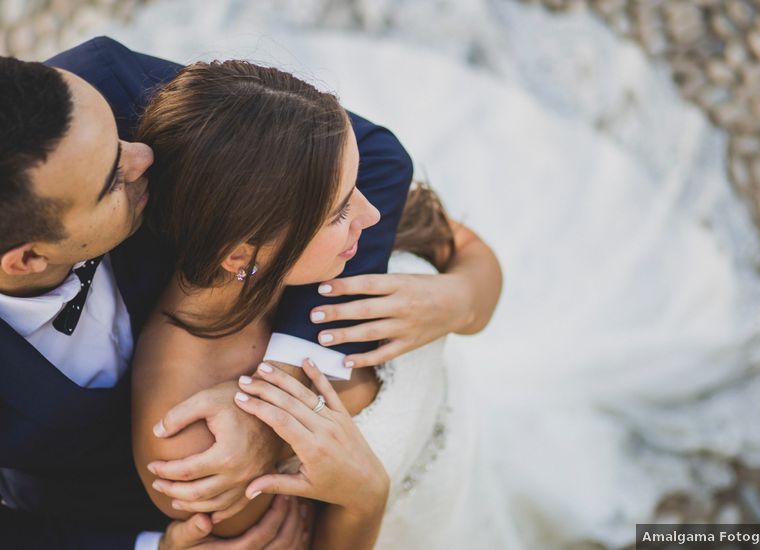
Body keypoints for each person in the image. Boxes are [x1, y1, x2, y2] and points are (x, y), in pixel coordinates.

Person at [0, 37, 502, 550]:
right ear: (31, 258)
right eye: (114, 177)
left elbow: (373, 157)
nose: (146, 154)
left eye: (121, 138)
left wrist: (275, 401)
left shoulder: (103, 96)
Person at [130, 60, 502, 548]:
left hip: (464, 447)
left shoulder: (317, 201)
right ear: (241, 254)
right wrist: (366, 498)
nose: (371, 215)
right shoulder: (196, 447)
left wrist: (460, 299)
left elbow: (467, 250)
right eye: (341, 211)